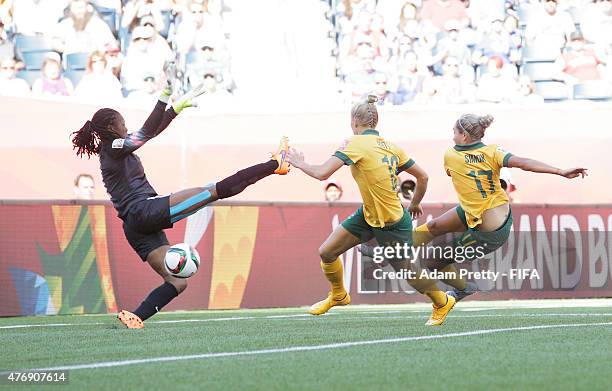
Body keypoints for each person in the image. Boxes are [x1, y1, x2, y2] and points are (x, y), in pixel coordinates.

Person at [71, 66, 291, 329]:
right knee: (214, 190)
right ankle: (274, 164)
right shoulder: (113, 146)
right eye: (121, 122)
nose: (126, 125)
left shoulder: (114, 148)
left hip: (136, 226)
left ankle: (136, 317)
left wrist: (174, 110)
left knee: (178, 281)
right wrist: (164, 96)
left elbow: (147, 132)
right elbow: (145, 134)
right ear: (111, 126)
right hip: (144, 212)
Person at [287, 95, 455, 327]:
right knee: (327, 251)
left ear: (355, 121)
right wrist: (415, 203)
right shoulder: (391, 146)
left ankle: (442, 301)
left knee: (407, 272)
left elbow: (322, 174)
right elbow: (423, 176)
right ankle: (338, 295)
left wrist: (300, 163)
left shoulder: (354, 143)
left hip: (392, 222)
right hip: (369, 215)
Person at [413, 114, 587, 304]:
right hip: (486, 212)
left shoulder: (451, 155)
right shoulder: (493, 151)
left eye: (454, 132)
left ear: (464, 136)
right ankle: (395, 248)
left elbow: (462, 171)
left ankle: (464, 288)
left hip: (489, 233)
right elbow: (523, 163)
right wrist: (560, 171)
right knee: (435, 226)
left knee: (432, 261)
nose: (452, 136)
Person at [51, 0, 116, 55]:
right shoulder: (65, 24)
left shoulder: (99, 24)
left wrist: (101, 50)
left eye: (81, 8)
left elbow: (112, 44)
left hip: (96, 63)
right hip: (71, 64)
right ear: (70, 10)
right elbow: (55, 43)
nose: (79, 12)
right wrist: (68, 49)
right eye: (76, 9)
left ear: (87, 8)